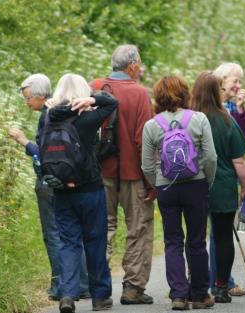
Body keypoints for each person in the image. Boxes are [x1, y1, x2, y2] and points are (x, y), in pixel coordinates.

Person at [8, 73, 90, 301]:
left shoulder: (47, 115)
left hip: (48, 182)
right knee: (73, 234)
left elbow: (42, 154)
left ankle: (59, 286)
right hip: (69, 180)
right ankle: (83, 284)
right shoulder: (64, 111)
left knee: (54, 235)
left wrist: (22, 140)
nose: (26, 102)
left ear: (40, 95)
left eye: (27, 98)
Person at [43, 73, 118, 313]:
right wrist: (92, 100)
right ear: (82, 93)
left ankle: (67, 294)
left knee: (68, 243)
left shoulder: (48, 117)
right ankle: (100, 297)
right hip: (90, 188)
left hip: (61, 190)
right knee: (95, 241)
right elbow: (112, 102)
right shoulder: (87, 119)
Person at [141, 76, 217, 310]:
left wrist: (159, 184)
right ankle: (200, 295)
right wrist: (207, 182)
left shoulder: (152, 125)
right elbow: (211, 156)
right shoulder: (198, 119)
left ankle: (178, 296)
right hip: (196, 185)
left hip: (167, 189)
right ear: (185, 93)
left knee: (172, 241)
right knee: (196, 241)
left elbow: (146, 165)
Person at [90, 44, 155, 305]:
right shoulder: (139, 94)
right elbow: (144, 141)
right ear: (131, 66)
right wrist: (151, 180)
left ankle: (97, 284)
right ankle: (132, 288)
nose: (139, 68)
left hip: (100, 171)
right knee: (138, 228)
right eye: (138, 64)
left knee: (102, 227)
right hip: (133, 174)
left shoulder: (96, 87)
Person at [191, 72, 245, 303]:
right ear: (217, 92)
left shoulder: (189, 118)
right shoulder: (226, 119)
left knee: (195, 239)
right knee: (224, 237)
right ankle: (222, 287)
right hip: (223, 185)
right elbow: (239, 160)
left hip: (193, 185)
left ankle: (196, 287)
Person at [208, 62, 245, 297]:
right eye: (234, 80)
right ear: (222, 80)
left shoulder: (231, 107)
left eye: (239, 81)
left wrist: (241, 110)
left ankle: (217, 280)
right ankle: (221, 281)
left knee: (218, 233)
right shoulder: (213, 107)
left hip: (221, 178)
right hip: (222, 177)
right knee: (220, 233)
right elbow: (239, 156)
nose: (238, 85)